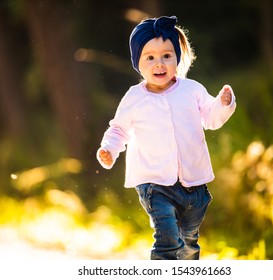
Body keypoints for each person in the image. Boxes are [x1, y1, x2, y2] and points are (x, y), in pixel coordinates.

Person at [96, 15, 236, 260]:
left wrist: (223, 104)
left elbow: (211, 118)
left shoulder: (191, 90)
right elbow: (119, 129)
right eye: (150, 57)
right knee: (168, 239)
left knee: (189, 243)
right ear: (137, 63)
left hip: (193, 184)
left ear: (177, 58)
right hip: (154, 183)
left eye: (166, 56)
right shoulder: (134, 97)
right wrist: (109, 148)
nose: (159, 63)